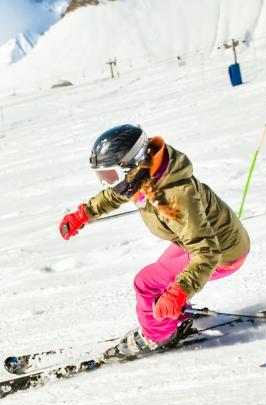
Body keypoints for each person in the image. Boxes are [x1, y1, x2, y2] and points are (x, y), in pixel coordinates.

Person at [59, 124, 250, 357]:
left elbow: (207, 252)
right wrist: (83, 214)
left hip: (221, 252)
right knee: (160, 279)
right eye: (103, 177)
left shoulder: (175, 195)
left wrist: (179, 291)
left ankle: (158, 336)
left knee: (146, 282)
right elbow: (114, 194)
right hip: (197, 242)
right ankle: (173, 315)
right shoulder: (147, 175)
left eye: (109, 176)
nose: (106, 182)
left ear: (132, 165)